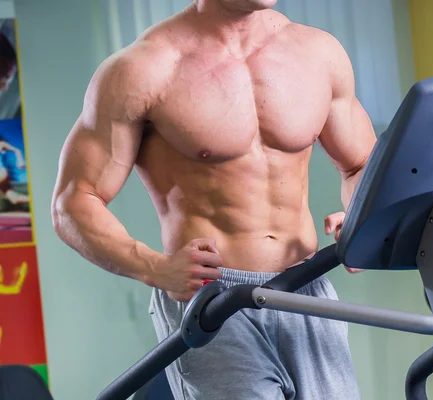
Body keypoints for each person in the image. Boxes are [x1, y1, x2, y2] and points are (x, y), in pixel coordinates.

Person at [51, 0, 377, 399]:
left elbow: (361, 163)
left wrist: (363, 217)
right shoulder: (143, 69)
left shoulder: (318, 54)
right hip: (213, 299)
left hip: (306, 284)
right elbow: (74, 200)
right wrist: (154, 267)